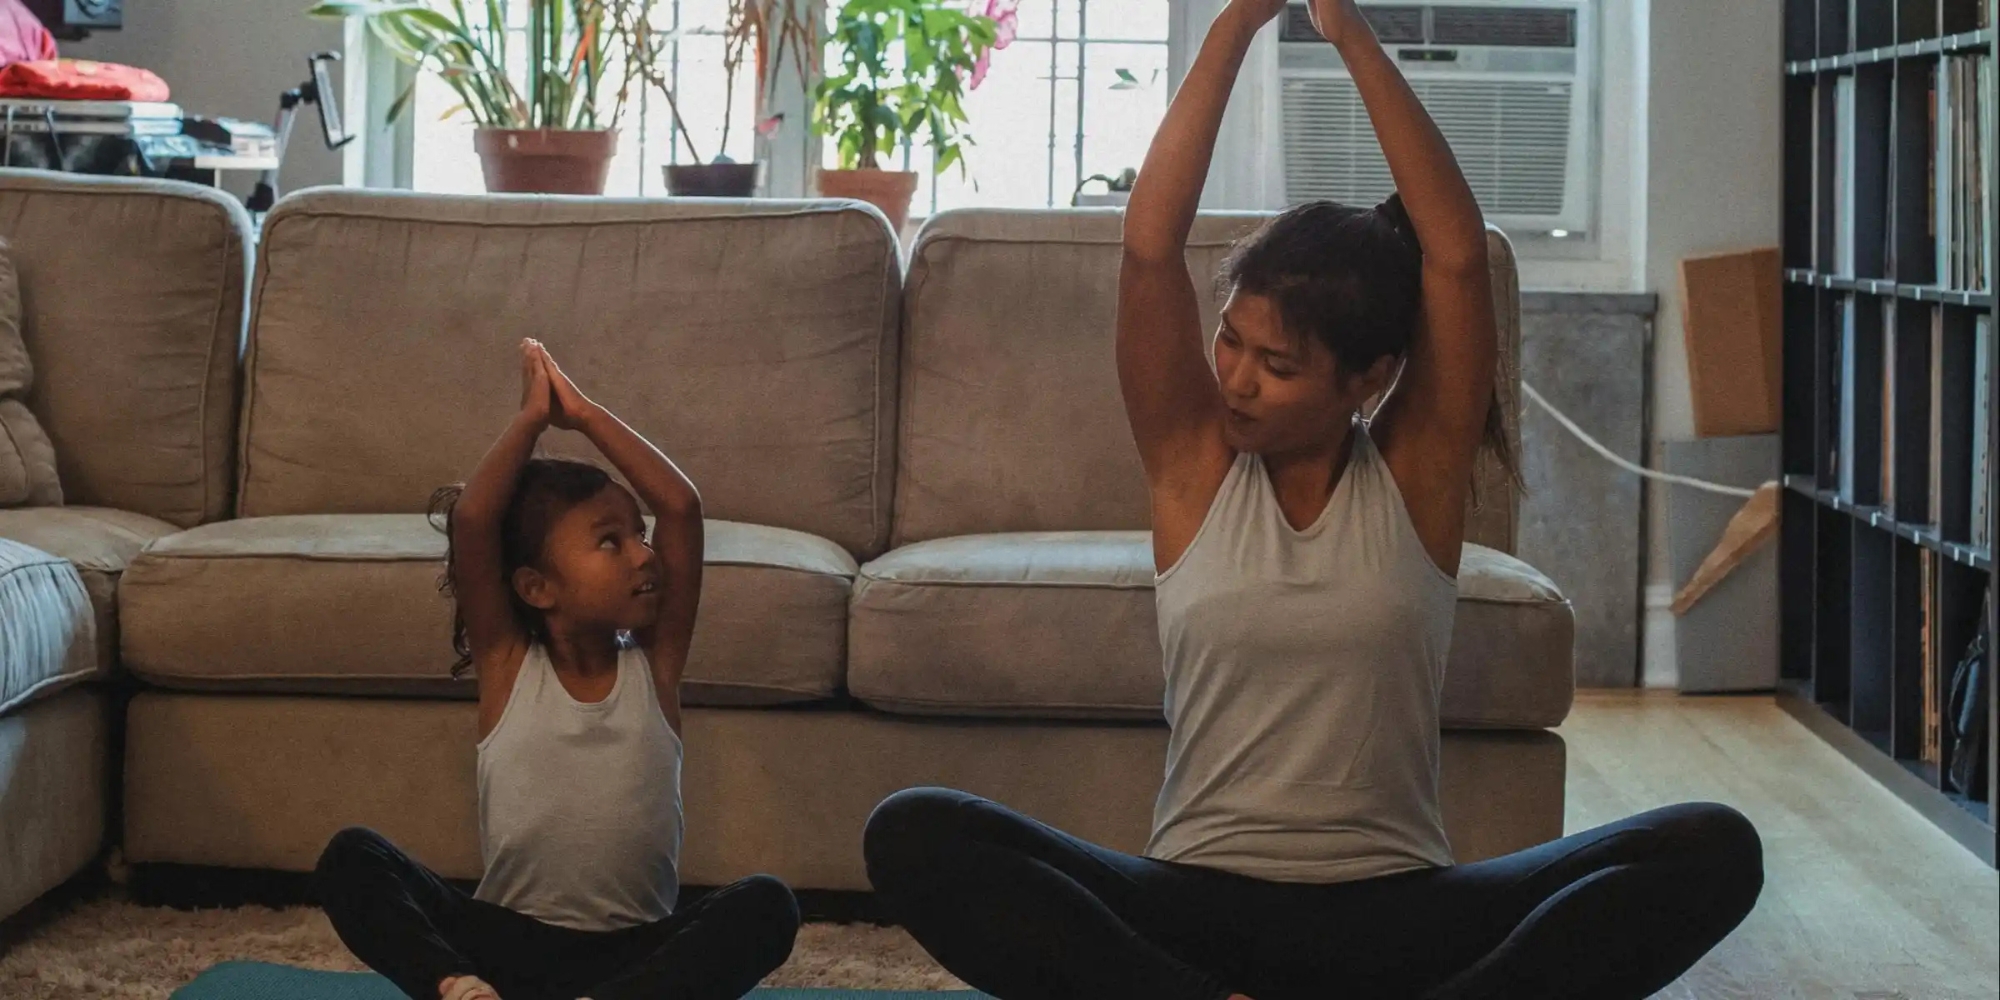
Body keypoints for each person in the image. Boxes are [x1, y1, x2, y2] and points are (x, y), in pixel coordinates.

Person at [860, 0, 1764, 997]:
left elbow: (1456, 255)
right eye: (1230, 342)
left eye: (1276, 365)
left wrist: (1342, 28)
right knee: (914, 831)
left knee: (1709, 845)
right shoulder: (1191, 462)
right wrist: (1240, 22)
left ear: (1366, 378)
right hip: (1193, 905)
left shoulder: (1413, 478)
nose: (1235, 378)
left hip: (1396, 912)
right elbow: (1149, 248)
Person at [315, 340, 799, 1000]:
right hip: (508, 945)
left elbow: (681, 509)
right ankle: (457, 989)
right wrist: (529, 423)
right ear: (537, 587)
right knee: (353, 858)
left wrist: (588, 416)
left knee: (767, 905)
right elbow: (477, 520)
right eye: (610, 541)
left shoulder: (655, 667)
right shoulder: (508, 666)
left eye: (638, 535)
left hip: (635, 956)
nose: (642, 555)